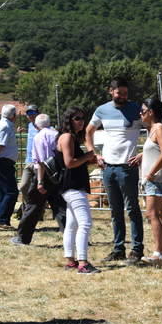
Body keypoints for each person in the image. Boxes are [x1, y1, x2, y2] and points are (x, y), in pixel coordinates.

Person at [85, 78, 144, 265]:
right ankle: (118, 248)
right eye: (119, 93)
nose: (123, 96)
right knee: (115, 211)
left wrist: (144, 153)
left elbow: (154, 127)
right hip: (108, 167)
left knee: (132, 209)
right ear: (111, 91)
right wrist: (95, 155)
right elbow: (88, 131)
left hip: (128, 167)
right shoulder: (102, 110)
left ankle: (137, 250)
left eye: (125, 93)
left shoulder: (136, 109)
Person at [11, 113, 67, 245]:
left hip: (44, 174)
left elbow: (40, 161)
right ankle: (71, 236)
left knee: (33, 206)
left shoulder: (38, 137)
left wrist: (40, 181)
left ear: (36, 125)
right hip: (58, 173)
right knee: (60, 207)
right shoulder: (57, 135)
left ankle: (22, 238)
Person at [57, 107, 99, 274]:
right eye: (76, 118)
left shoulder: (70, 137)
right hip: (72, 186)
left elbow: (75, 162)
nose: (81, 121)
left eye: (82, 118)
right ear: (69, 120)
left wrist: (89, 161)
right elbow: (69, 163)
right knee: (85, 223)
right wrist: (88, 156)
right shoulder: (67, 137)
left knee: (72, 225)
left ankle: (70, 261)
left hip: (72, 186)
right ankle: (83, 262)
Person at [139, 98, 162, 267]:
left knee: (152, 214)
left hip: (156, 178)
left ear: (151, 112)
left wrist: (150, 173)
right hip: (156, 177)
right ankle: (161, 252)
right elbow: (156, 150)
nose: (140, 114)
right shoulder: (152, 129)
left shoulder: (159, 128)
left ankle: (158, 253)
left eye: (143, 111)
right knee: (158, 214)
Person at [0, 104, 18, 228]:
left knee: (2, 192)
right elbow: (0, 145)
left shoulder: (4, 125)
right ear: (13, 116)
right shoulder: (5, 126)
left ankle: (2, 218)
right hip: (3, 162)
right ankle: (2, 219)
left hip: (3, 161)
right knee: (11, 192)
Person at [18, 104, 40, 207]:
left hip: (39, 161)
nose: (30, 115)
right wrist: (24, 130)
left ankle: (39, 208)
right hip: (28, 160)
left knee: (39, 187)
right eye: (28, 113)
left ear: (38, 113)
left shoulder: (43, 125)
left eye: (32, 113)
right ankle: (30, 206)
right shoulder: (30, 125)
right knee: (23, 186)